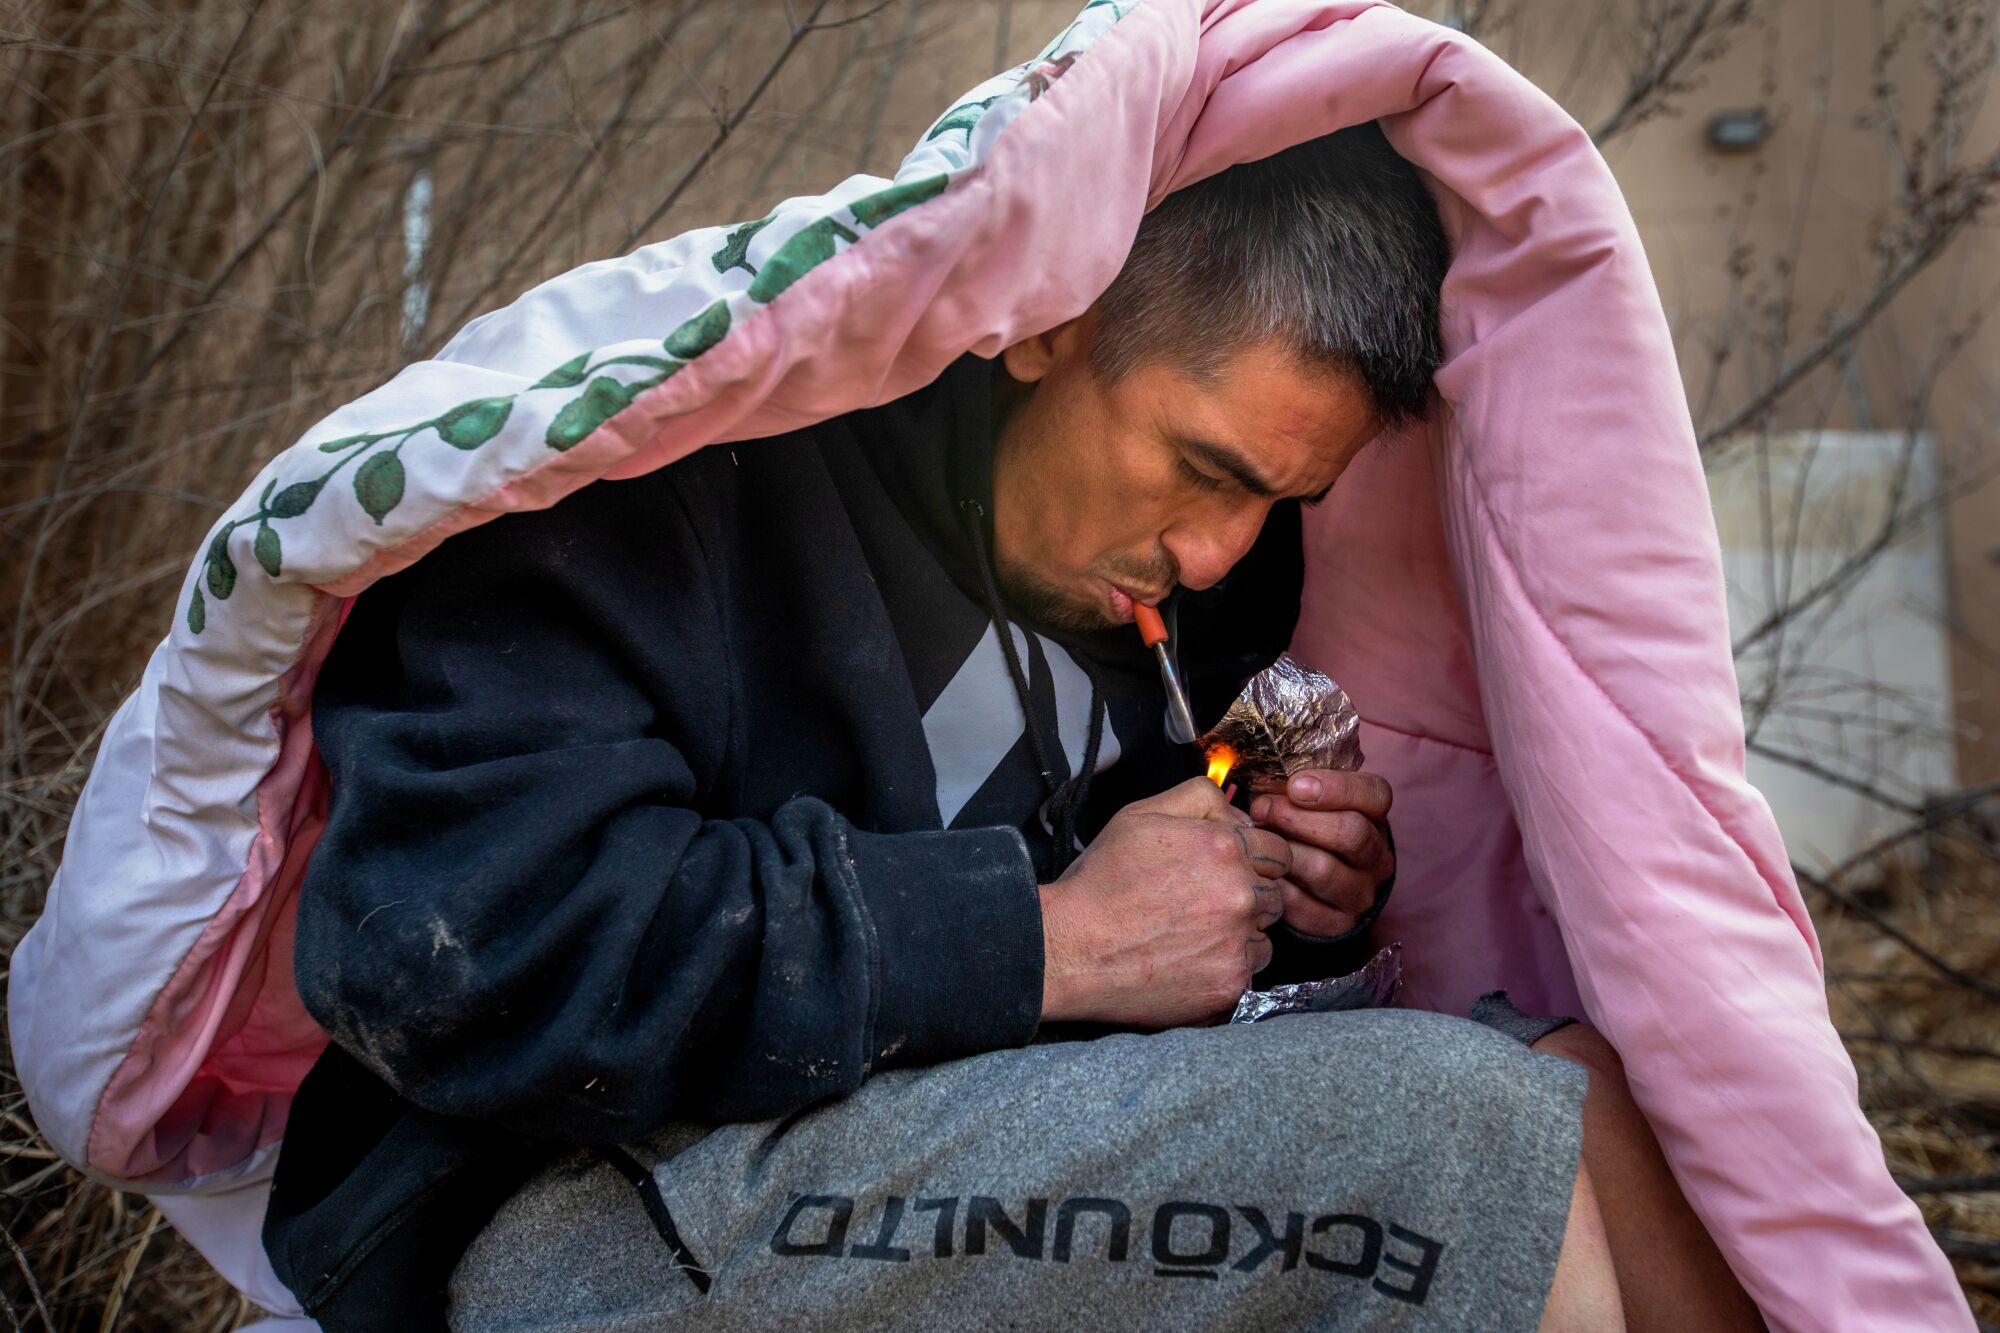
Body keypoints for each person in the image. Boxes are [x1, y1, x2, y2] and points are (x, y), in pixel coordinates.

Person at [261, 125, 1758, 1331]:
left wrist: (1279, 896)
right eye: (1200, 466)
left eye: (1280, 502)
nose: (1225, 554)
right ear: (1055, 322)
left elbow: (1130, 915)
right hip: (580, 1216)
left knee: (1591, 1103)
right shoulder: (664, 480)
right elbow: (455, 946)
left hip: (948, 1145)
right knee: (1458, 1136)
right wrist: (1051, 937)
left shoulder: (1174, 597)